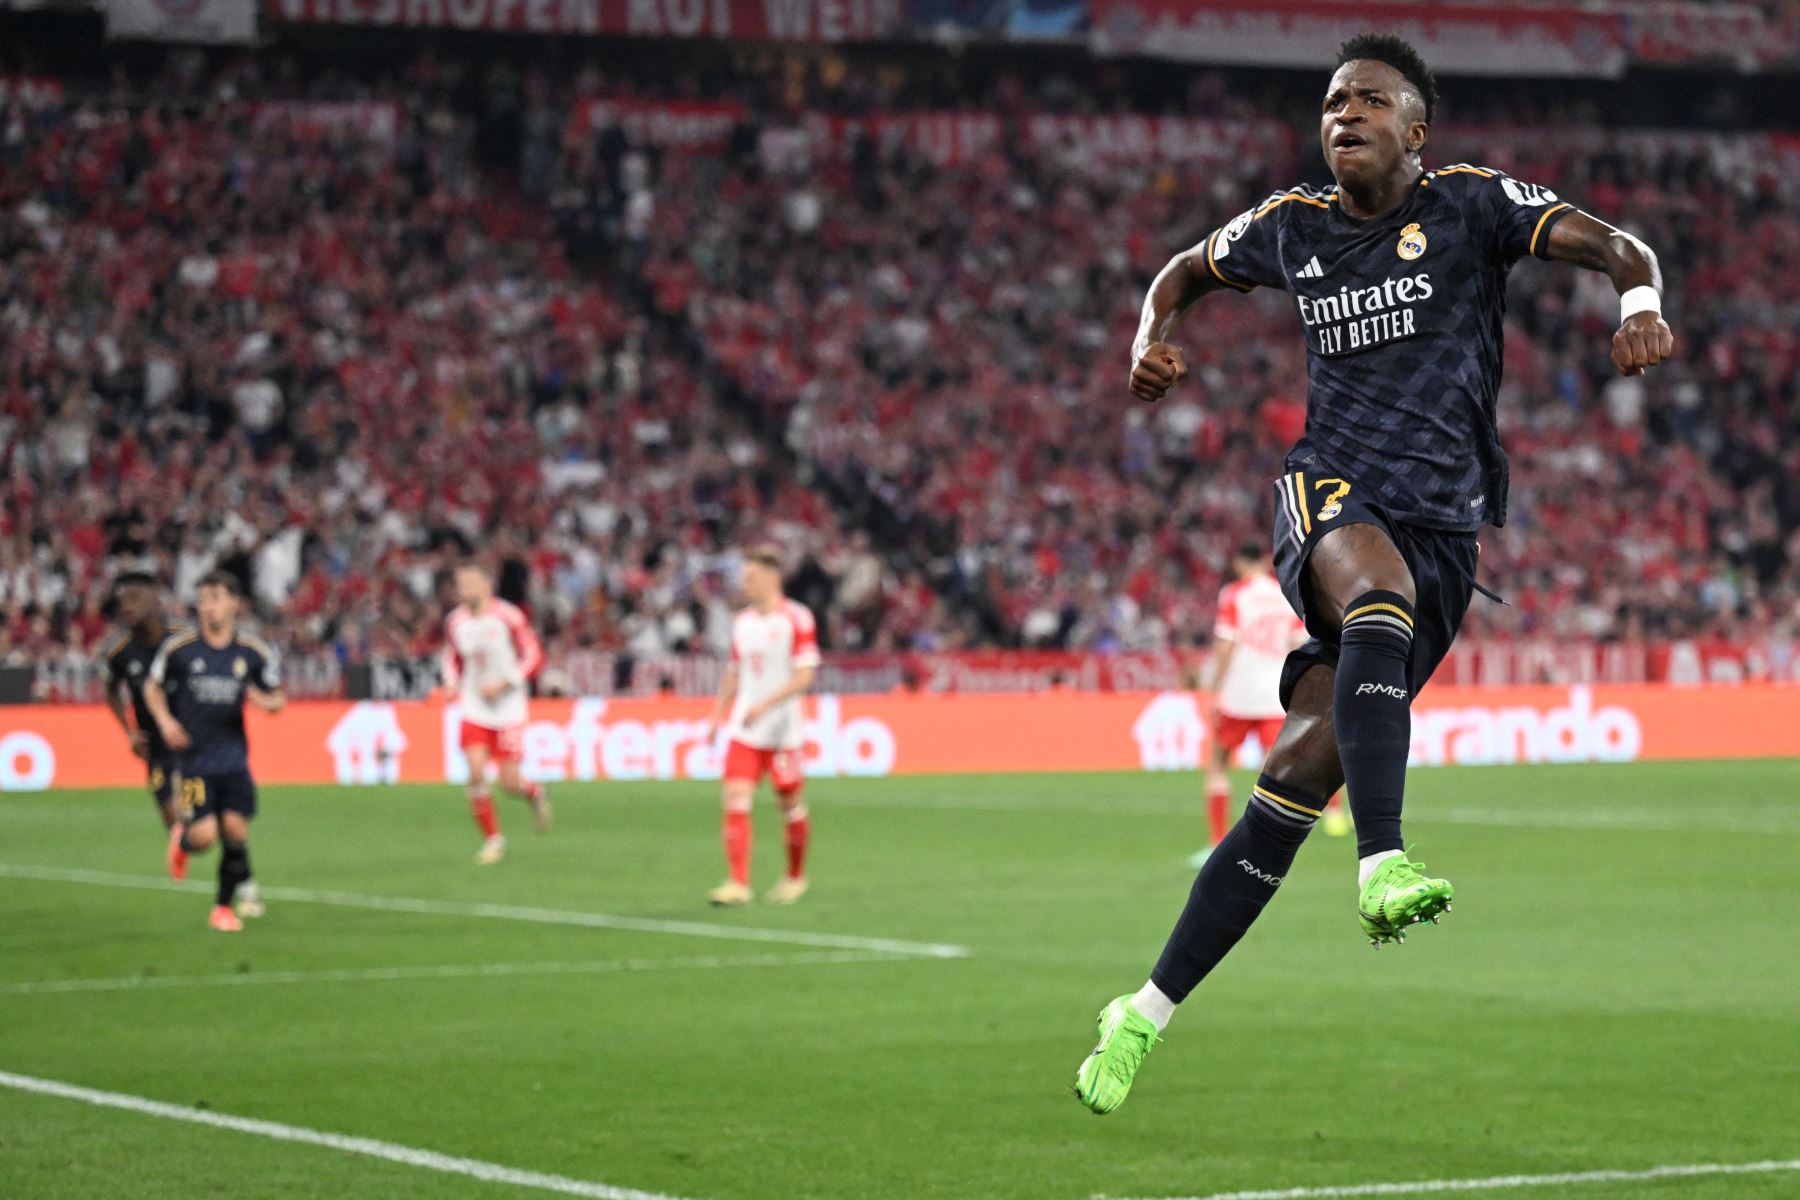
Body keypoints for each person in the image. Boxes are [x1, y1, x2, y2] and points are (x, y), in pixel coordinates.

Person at [1076, 32, 1673, 1113]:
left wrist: (1640, 307)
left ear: (1416, 128)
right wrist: (1144, 342)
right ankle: (1385, 863)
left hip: (1447, 534)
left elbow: (1620, 248)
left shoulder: (1471, 205)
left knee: (1289, 796)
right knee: (1379, 599)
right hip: (1331, 495)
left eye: (1369, 100)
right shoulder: (1289, 227)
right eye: (1332, 102)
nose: (1343, 114)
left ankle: (1141, 1013)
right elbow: (1177, 275)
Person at [1190, 542, 1348, 870]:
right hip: (1276, 692)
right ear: (1264, 561)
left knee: (1219, 763)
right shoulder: (1284, 594)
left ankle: (1217, 842)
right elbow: (1297, 643)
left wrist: (1214, 686)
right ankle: (1303, 825)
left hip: (1239, 694)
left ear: (1237, 562)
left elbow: (1227, 644)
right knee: (1278, 770)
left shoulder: (1235, 594)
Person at [143, 572, 286, 932]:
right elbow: (152, 688)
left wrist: (265, 701)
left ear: (234, 604)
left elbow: (278, 696)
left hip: (234, 759)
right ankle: (183, 841)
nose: (208, 606)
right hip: (194, 760)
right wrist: (164, 722)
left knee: (236, 829)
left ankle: (222, 908)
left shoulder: (251, 653)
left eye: (216, 597)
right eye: (203, 598)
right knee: (205, 836)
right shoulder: (180, 649)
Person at [704, 545, 820, 907]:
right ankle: (738, 883)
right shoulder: (743, 623)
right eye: (743, 578)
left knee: (790, 804)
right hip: (746, 730)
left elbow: (805, 676)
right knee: (735, 798)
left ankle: (795, 877)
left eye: (751, 578)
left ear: (773, 577)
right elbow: (734, 672)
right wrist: (717, 714)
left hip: (783, 732)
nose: (745, 585)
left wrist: (767, 703)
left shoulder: (797, 619)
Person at [442, 561, 548, 865]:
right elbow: (451, 657)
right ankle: (493, 840)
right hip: (474, 707)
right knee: (475, 772)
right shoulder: (456, 622)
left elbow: (534, 654)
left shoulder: (508, 616)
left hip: (509, 708)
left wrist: (505, 684)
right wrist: (450, 683)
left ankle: (534, 792)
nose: (465, 590)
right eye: (461, 584)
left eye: (471, 583)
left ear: (487, 585)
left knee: (509, 783)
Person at [101, 572, 184, 834]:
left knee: (193, 821)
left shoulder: (183, 642)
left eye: (134, 598)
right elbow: (111, 691)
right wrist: (130, 732)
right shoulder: (120, 653)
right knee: (172, 822)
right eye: (123, 600)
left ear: (154, 599)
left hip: (190, 745)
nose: (127, 606)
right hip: (156, 750)